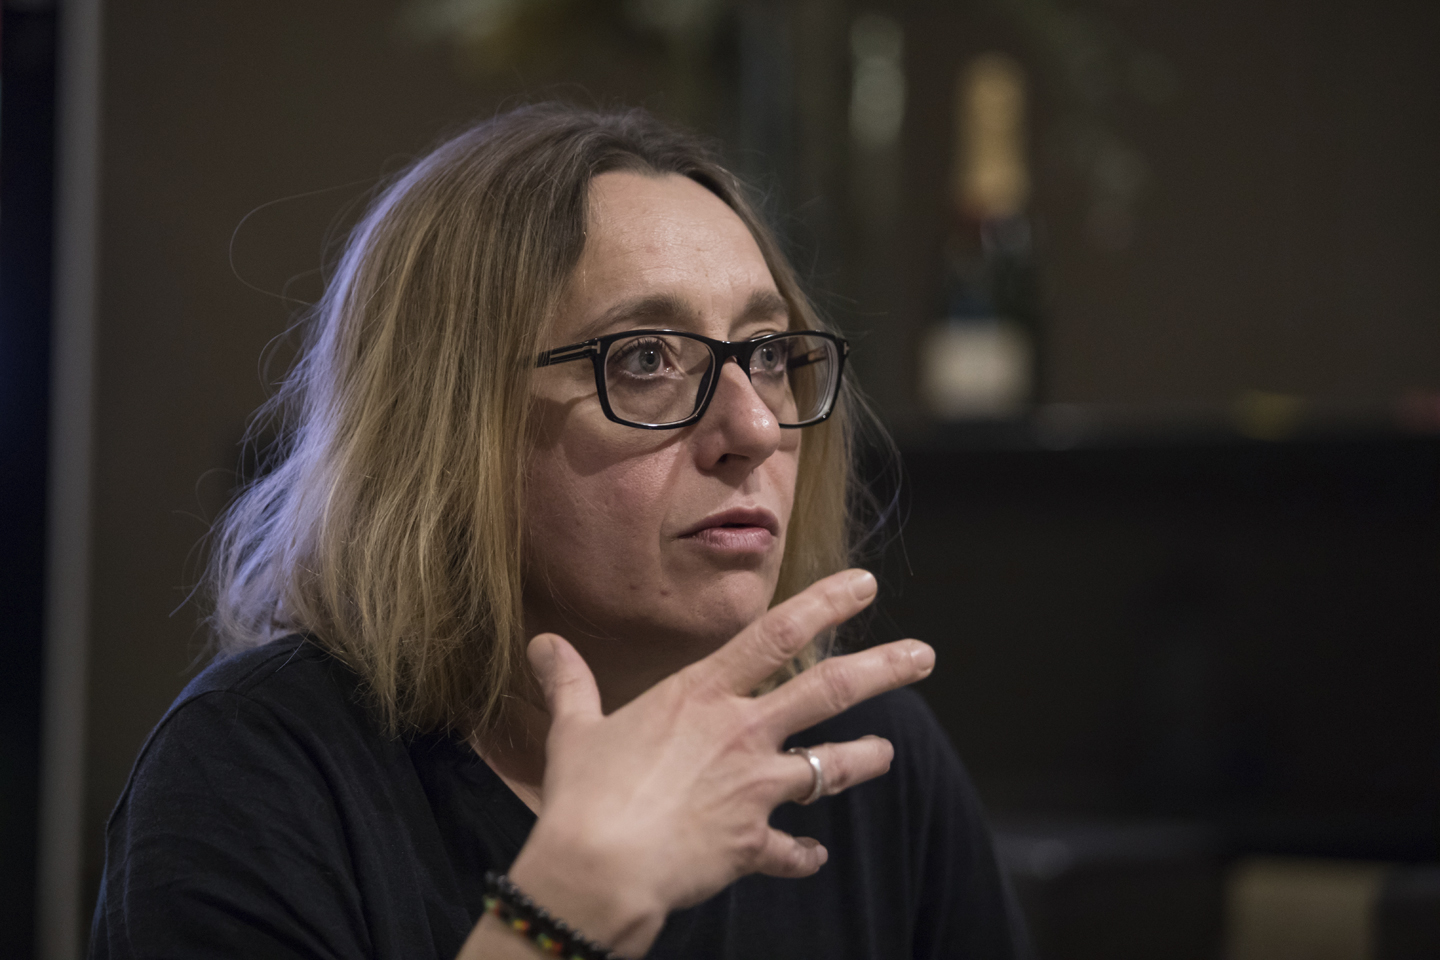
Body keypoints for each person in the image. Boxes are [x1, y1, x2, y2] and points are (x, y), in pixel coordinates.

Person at [89, 105, 1030, 959]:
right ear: (454, 425)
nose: (753, 427)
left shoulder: (856, 755)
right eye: (646, 357)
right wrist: (561, 914)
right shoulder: (256, 772)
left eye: (771, 353)